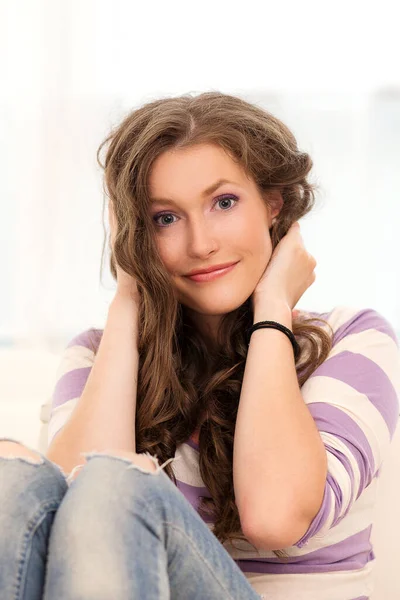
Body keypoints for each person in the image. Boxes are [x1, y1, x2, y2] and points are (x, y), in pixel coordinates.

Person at [0, 91, 399, 600]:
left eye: (224, 203)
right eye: (164, 218)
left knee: (118, 484)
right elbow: (56, 526)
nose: (200, 244)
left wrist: (273, 307)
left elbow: (275, 516)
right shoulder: (100, 354)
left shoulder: (352, 339)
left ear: (273, 206)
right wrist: (129, 297)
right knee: (15, 480)